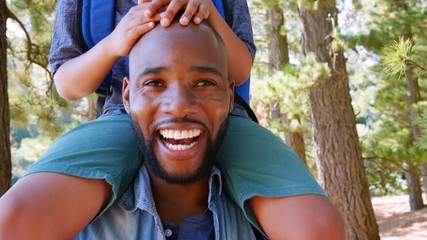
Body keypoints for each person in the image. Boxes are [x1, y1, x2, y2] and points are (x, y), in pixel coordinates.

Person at [0, 1, 345, 239]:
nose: (177, 105)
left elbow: (239, 70)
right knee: (14, 219)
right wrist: (113, 44)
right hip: (124, 116)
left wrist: (211, 15)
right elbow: (68, 85)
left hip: (224, 115)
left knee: (315, 225)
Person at [76, 18, 259, 239]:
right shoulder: (73, 225)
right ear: (127, 96)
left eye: (205, 83)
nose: (179, 106)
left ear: (230, 97)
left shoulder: (269, 224)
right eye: (154, 83)